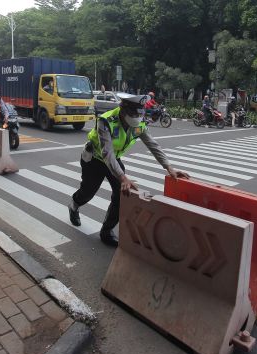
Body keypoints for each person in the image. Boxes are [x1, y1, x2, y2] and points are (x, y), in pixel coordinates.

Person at [68, 93, 190, 246]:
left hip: (114, 160)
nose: (136, 117)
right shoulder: (106, 121)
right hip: (95, 159)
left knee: (122, 194)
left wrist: (169, 167)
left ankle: (106, 231)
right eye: (133, 113)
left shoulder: (139, 124)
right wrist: (123, 177)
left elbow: (152, 145)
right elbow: (107, 153)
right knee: (88, 192)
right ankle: (74, 205)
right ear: (122, 110)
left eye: (139, 113)